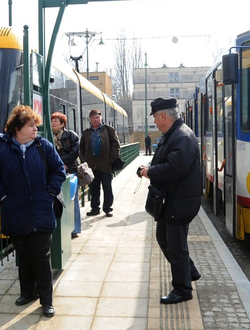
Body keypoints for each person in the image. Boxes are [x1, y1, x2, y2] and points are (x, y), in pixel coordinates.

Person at [0, 105, 65, 318]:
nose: (35, 129)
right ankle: (27, 293)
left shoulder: (43, 146)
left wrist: (50, 191)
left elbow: (58, 170)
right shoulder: (1, 149)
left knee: (41, 257)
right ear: (18, 128)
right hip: (15, 211)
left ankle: (47, 301)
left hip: (41, 210)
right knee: (24, 256)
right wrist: (4, 197)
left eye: (35, 125)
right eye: (31, 126)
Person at [137, 97, 202, 304]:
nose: (155, 122)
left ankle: (182, 289)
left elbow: (175, 168)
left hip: (179, 202)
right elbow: (167, 160)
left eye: (155, 118)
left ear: (163, 115)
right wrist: (151, 166)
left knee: (176, 246)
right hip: (172, 201)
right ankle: (189, 271)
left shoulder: (181, 136)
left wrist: (149, 172)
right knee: (164, 238)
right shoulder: (173, 134)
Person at [79, 109, 121, 218]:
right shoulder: (87, 132)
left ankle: (108, 209)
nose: (95, 120)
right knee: (94, 188)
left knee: (107, 188)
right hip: (91, 166)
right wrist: (84, 161)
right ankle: (95, 208)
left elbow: (116, 145)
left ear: (100, 118)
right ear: (90, 119)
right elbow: (81, 148)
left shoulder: (108, 130)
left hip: (105, 165)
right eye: (93, 118)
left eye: (97, 117)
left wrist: (111, 159)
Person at [51, 112, 81, 238]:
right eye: (52, 121)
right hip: (58, 171)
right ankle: (62, 228)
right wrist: (59, 165)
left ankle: (75, 229)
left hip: (71, 170)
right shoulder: (49, 136)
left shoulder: (71, 135)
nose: (53, 123)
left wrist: (62, 162)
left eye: (56, 121)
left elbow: (75, 152)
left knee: (72, 201)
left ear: (62, 124)